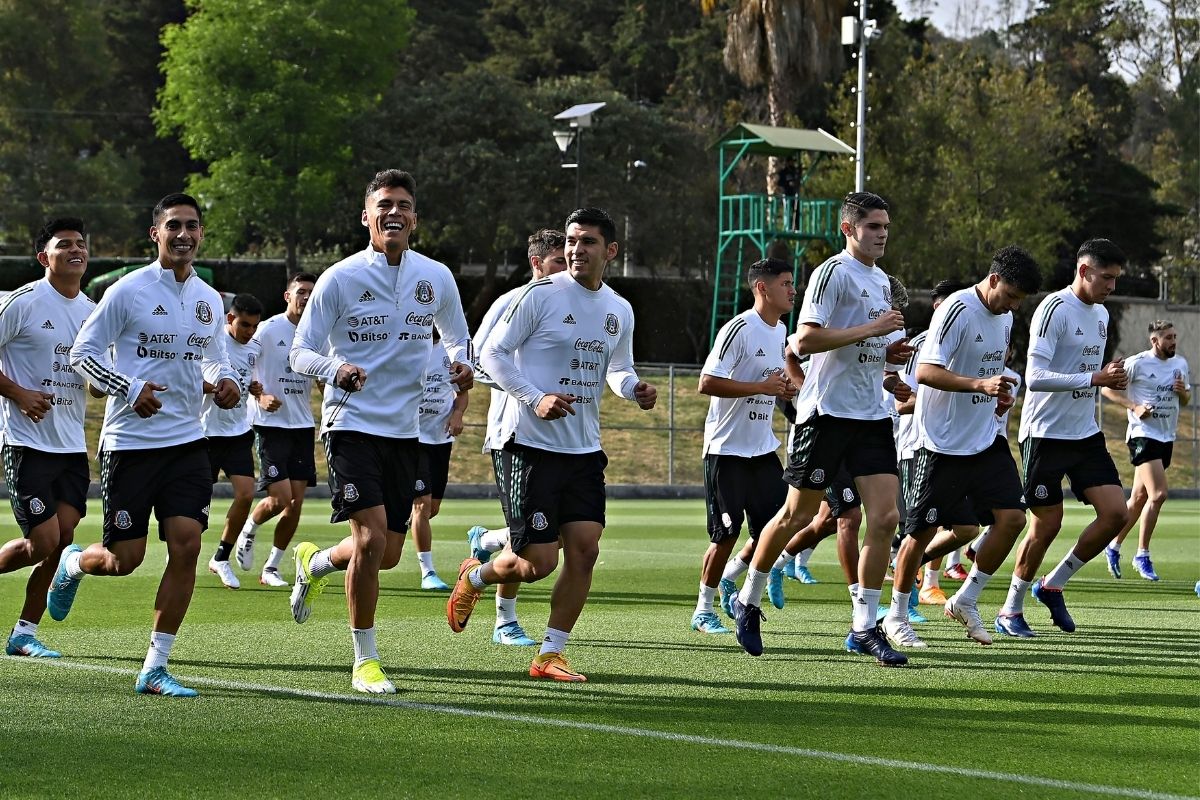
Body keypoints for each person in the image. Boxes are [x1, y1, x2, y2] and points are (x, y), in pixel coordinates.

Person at [448, 207, 657, 682]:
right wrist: (535, 397)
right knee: (538, 562)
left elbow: (618, 369)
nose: (576, 250)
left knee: (585, 549)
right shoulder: (539, 295)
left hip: (582, 448)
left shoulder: (619, 309)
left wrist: (633, 389)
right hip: (527, 444)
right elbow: (490, 356)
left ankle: (549, 654)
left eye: (588, 242)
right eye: (572, 240)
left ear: (611, 251)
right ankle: (475, 575)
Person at [288, 169, 473, 694]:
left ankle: (314, 560)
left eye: (404, 205)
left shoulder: (435, 276)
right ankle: (364, 660)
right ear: (366, 217)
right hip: (350, 423)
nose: (395, 213)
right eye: (384, 205)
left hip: (406, 431)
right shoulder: (340, 278)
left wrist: (463, 366)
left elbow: (458, 339)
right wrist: (335, 370)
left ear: (415, 218)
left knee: (387, 554)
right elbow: (301, 352)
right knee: (370, 540)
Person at [58, 193, 240, 697]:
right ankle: (74, 563)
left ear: (201, 235)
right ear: (155, 235)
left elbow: (214, 358)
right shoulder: (127, 291)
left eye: (193, 227)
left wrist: (226, 381)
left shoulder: (208, 299)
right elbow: (82, 355)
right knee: (125, 560)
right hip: (130, 444)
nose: (184, 235)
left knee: (186, 545)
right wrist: (129, 388)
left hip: (188, 442)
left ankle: (155, 666)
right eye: (174, 227)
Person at [729, 191, 909, 667]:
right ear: (849, 229)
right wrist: (871, 332)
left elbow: (867, 343)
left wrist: (890, 353)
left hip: (870, 415)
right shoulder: (833, 271)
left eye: (886, 226)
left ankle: (864, 627)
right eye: (873, 226)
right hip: (826, 414)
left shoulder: (882, 282)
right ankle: (748, 598)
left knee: (886, 519)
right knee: (795, 516)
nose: (882, 234)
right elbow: (806, 339)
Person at [882, 246, 1040, 649]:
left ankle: (965, 599)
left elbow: (989, 371)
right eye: (1010, 296)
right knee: (919, 534)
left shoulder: (1003, 317)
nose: (1013, 307)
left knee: (1012, 519)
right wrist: (978, 386)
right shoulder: (956, 308)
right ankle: (896, 617)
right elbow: (925, 371)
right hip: (940, 443)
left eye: (1019, 301)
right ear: (992, 280)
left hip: (984, 439)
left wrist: (997, 395)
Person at [999, 238, 1131, 636]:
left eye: (1115, 278)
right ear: (1084, 270)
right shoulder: (1053, 309)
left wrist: (1107, 373)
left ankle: (1053, 583)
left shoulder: (1102, 315)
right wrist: (1094, 377)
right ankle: (1010, 610)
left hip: (1084, 433)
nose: (1111, 286)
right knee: (1046, 525)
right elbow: (1035, 379)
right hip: (1044, 433)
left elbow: (1085, 370)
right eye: (1106, 277)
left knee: (1116, 514)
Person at [465, 228, 568, 647]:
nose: (568, 268)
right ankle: (505, 620)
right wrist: (531, 393)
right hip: (517, 435)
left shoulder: (581, 304)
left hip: (567, 440)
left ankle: (487, 541)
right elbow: (478, 359)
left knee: (561, 534)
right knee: (534, 545)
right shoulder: (512, 302)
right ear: (537, 264)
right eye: (559, 261)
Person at [0, 218, 96, 659]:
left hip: (72, 447)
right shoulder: (21, 303)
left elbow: (97, 375)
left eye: (81, 244)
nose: (76, 250)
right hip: (26, 443)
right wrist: (18, 393)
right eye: (65, 245)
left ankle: (24, 633)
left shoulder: (93, 311)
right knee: (43, 542)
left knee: (61, 538)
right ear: (44, 257)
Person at [691, 258, 796, 635]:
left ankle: (734, 581)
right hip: (727, 451)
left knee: (779, 528)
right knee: (727, 534)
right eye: (785, 283)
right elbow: (707, 383)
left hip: (762, 449)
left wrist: (783, 389)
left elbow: (772, 382)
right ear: (762, 289)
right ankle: (703, 609)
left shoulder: (780, 330)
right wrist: (763, 387)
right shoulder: (739, 328)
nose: (792, 290)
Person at [234, 273, 319, 587]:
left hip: (302, 425)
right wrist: (259, 395)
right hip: (270, 424)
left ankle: (271, 567)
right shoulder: (268, 330)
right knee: (280, 498)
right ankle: (249, 530)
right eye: (301, 291)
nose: (307, 297)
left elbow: (321, 376)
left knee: (295, 504)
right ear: (288, 296)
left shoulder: (316, 335)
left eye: (312, 292)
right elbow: (242, 362)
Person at [1102, 320, 1191, 581]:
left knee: (1139, 499)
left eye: (1175, 336)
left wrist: (1182, 393)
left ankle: (1113, 545)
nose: (1174, 341)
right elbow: (1107, 389)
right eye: (1168, 338)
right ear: (1155, 341)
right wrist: (1134, 406)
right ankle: (1142, 554)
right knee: (1159, 494)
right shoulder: (1137, 363)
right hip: (1143, 435)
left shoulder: (1180, 364)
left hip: (1166, 436)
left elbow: (1185, 400)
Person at [203, 293, 264, 589]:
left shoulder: (253, 348)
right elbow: (193, 376)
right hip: (206, 432)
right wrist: (213, 388)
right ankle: (178, 554)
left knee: (245, 493)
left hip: (238, 431)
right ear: (230, 319)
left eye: (254, 326)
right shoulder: (212, 342)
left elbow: (245, 376)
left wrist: (253, 387)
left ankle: (221, 557)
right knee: (195, 502)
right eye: (245, 325)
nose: (250, 332)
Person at [408, 333, 468, 590]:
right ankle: (427, 572)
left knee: (431, 508)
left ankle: (398, 519)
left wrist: (458, 414)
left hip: (440, 440)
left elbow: (463, 392)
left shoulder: (451, 351)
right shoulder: (406, 344)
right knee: (421, 505)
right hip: (411, 437)